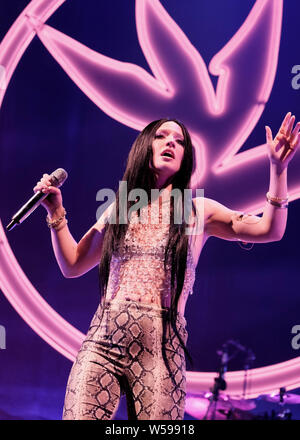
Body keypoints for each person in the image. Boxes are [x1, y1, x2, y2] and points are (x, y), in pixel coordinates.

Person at [34, 112, 299, 420]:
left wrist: (278, 170)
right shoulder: (121, 208)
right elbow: (73, 264)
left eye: (179, 141)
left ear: (185, 158)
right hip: (104, 338)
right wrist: (56, 212)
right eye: (162, 136)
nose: (170, 142)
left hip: (160, 345)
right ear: (145, 146)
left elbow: (270, 230)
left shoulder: (198, 210)